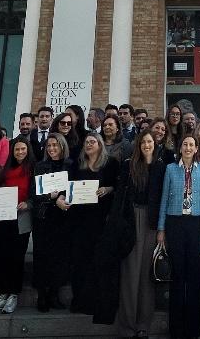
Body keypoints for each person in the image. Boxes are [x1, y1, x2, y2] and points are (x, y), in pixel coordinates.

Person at [157, 135, 200, 339]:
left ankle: (193, 329)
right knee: (178, 276)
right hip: (175, 223)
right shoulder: (171, 169)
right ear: (180, 148)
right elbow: (164, 197)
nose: (188, 147)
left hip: (196, 223)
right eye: (185, 144)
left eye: (192, 144)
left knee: (194, 276)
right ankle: (176, 328)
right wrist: (161, 228)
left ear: (196, 148)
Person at [114, 128, 165, 338]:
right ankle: (127, 326)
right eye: (143, 142)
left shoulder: (161, 167)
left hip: (152, 223)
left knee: (147, 275)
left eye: (150, 142)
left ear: (155, 144)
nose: (146, 145)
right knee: (130, 274)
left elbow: (164, 197)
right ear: (138, 144)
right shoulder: (129, 165)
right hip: (131, 220)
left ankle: (143, 324)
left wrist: (162, 228)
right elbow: (120, 195)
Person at [67, 131, 119, 313]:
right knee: (79, 262)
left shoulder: (110, 164)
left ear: (100, 144)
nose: (88, 144)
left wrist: (108, 188)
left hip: (101, 221)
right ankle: (78, 300)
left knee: (97, 262)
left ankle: (95, 300)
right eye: (86, 142)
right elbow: (69, 188)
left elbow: (118, 186)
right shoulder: (76, 165)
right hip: (79, 221)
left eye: (92, 141)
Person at [0, 137, 34, 315]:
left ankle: (14, 294)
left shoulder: (33, 169)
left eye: (23, 149)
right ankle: (3, 293)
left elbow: (37, 194)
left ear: (28, 150)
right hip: (4, 217)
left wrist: (28, 203)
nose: (20, 152)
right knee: (3, 255)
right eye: (16, 149)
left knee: (17, 257)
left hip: (22, 219)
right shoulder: (5, 170)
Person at [32, 133, 74, 310]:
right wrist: (51, 198)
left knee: (60, 258)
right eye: (49, 146)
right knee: (42, 257)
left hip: (64, 218)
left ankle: (54, 294)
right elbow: (35, 194)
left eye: (55, 145)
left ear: (62, 146)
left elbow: (73, 188)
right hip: (44, 217)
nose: (51, 149)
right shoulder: (40, 166)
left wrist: (63, 198)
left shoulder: (71, 165)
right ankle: (42, 296)